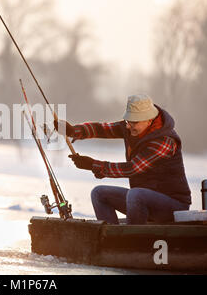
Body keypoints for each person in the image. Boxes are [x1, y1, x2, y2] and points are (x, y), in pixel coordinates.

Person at [55, 94, 191, 224]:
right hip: (142, 200)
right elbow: (102, 129)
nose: (128, 126)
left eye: (134, 122)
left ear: (149, 121)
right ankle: (110, 239)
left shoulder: (164, 141)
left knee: (135, 194)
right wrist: (73, 131)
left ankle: (129, 239)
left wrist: (93, 165)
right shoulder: (132, 127)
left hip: (173, 207)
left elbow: (132, 168)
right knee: (99, 193)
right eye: (128, 121)